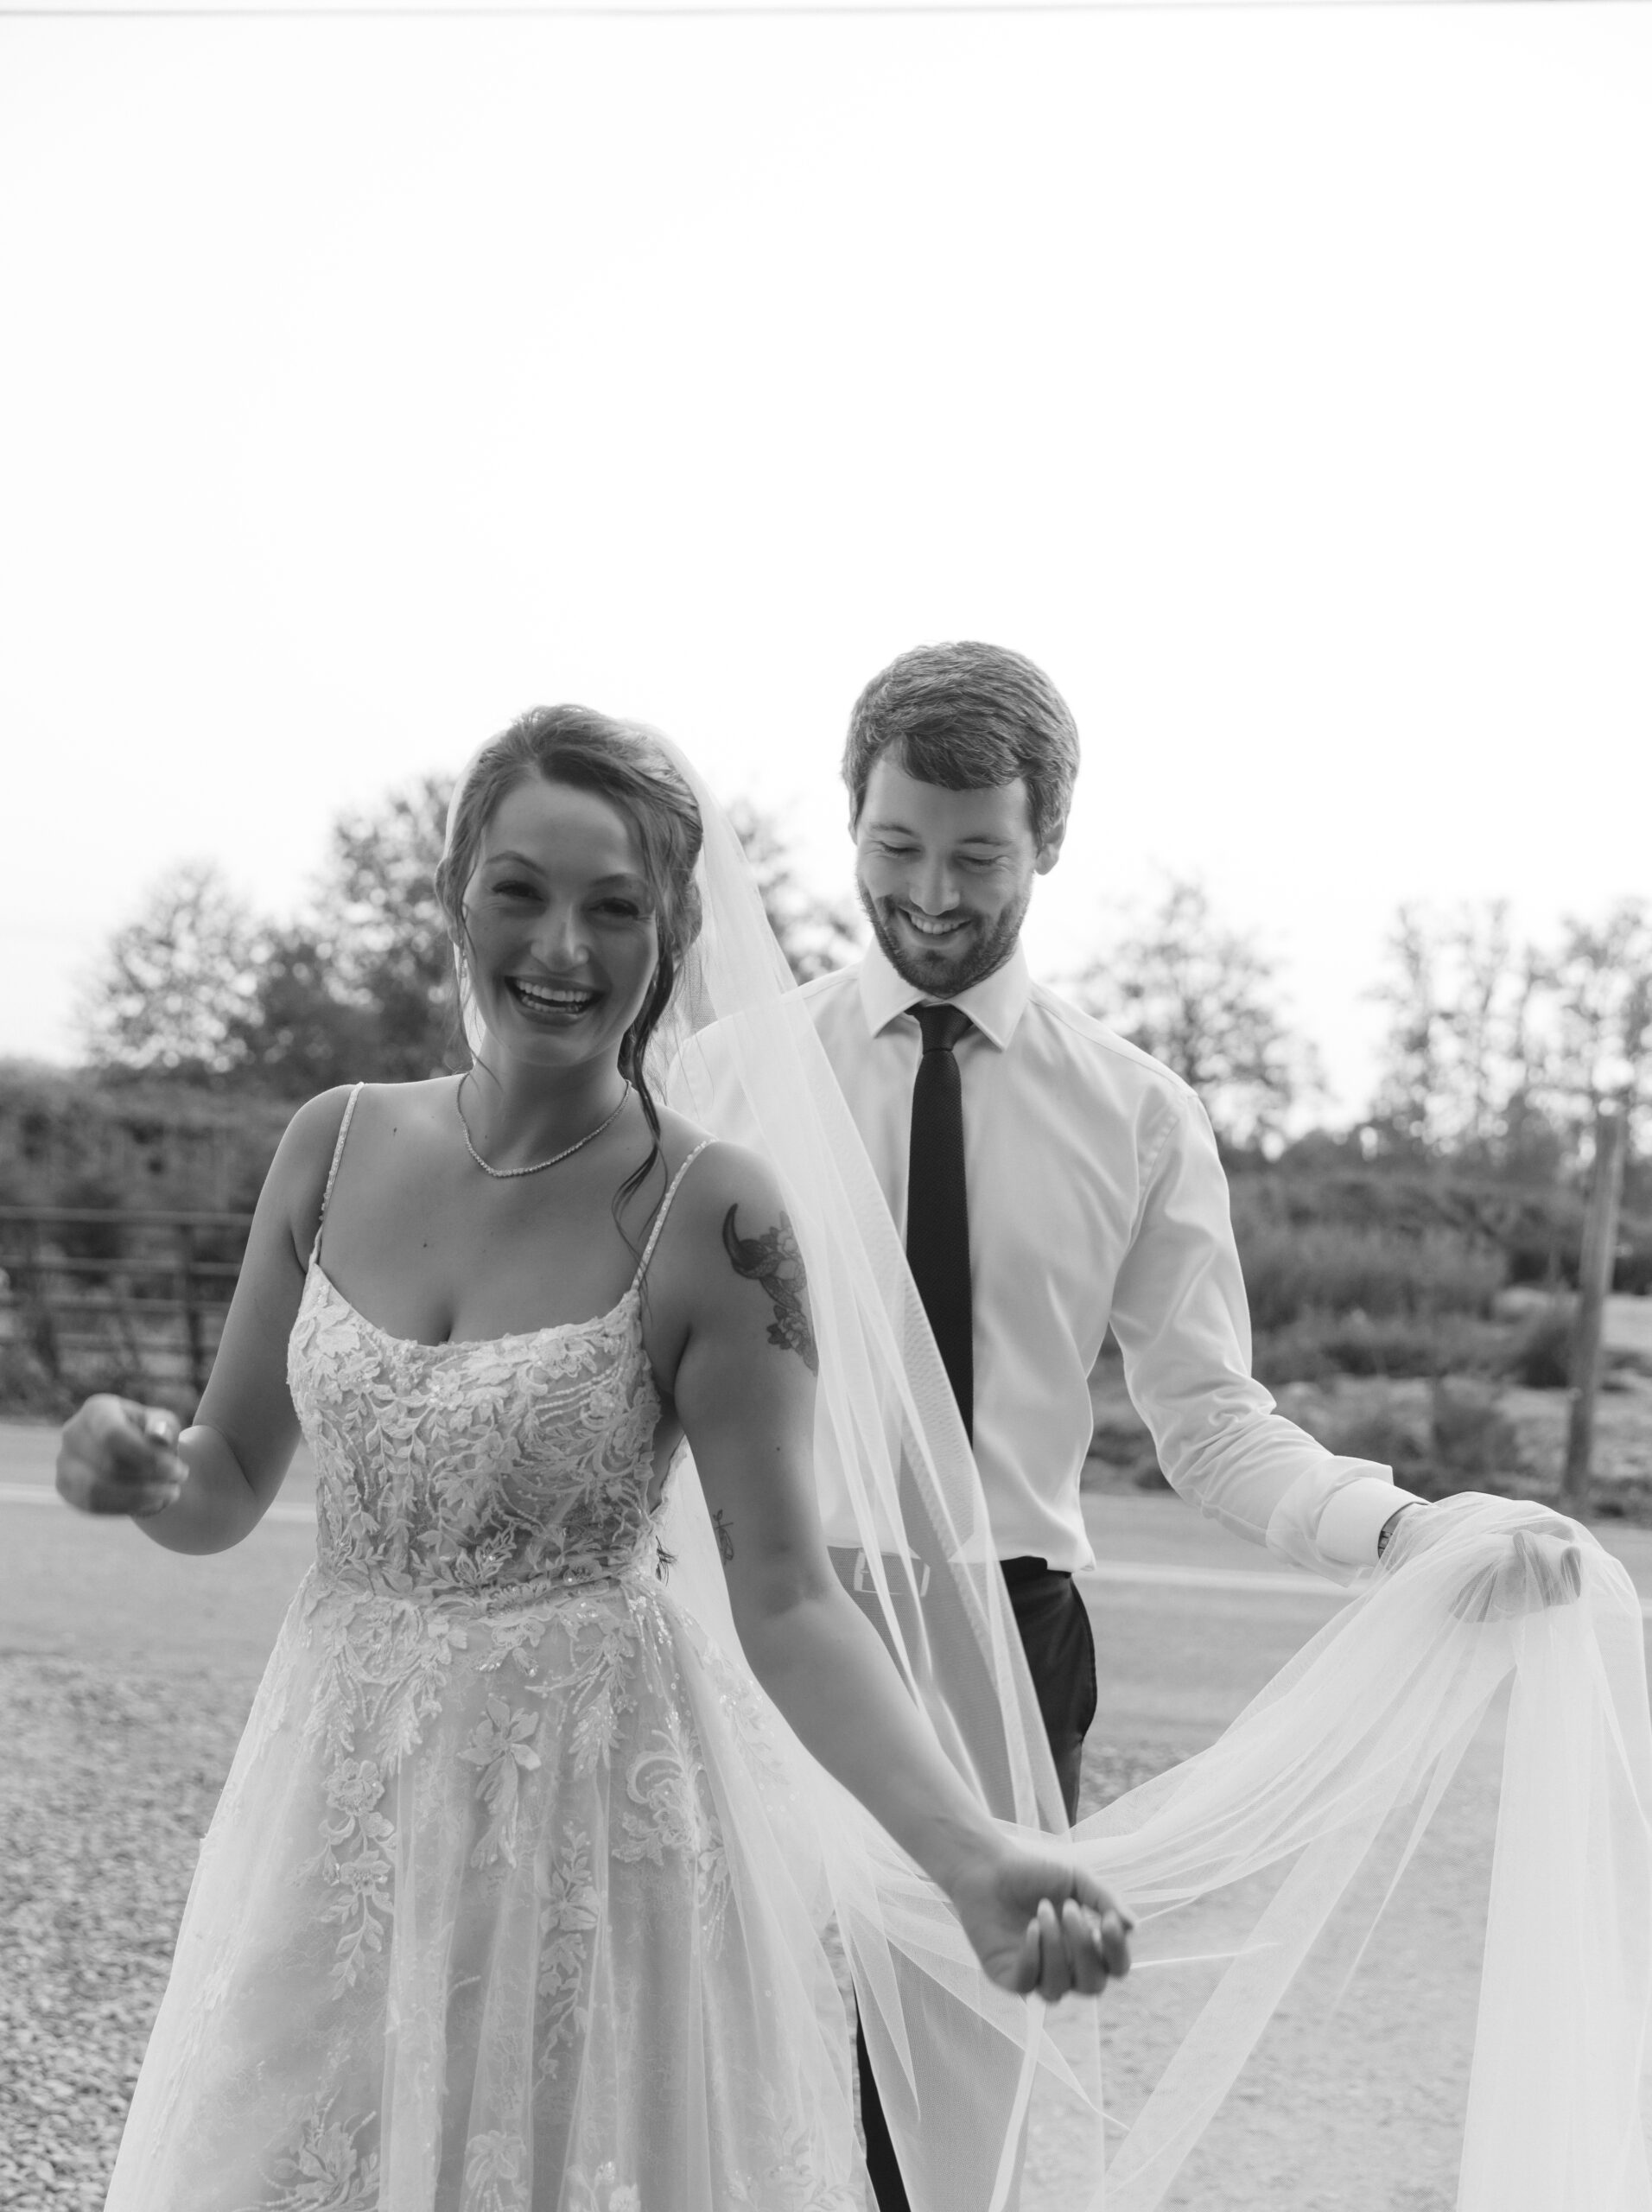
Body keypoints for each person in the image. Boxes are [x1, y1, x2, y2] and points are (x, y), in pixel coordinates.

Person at [55, 706, 1131, 2212]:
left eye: (614, 906)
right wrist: (139, 1473)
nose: (562, 945)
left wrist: (971, 1854)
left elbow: (791, 1594)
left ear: (671, 931)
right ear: (457, 897)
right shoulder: (333, 1144)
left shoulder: (718, 1215)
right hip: (337, 1797)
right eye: (521, 890)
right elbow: (227, 1474)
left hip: (587, 1824)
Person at [668, 639, 1433, 2209]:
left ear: (1051, 844)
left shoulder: (1141, 1114)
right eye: (895, 849)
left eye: (977, 859)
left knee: (954, 2125)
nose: (932, 895)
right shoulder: (726, 1074)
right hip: (752, 1618)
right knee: (735, 2074)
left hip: (1012, 1640)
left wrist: (1403, 1530)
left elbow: (1210, 1421)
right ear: (851, 820)